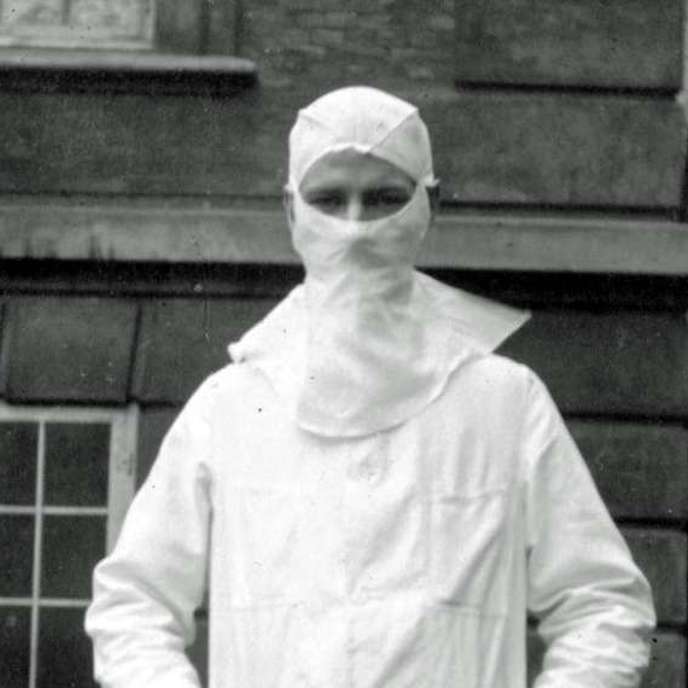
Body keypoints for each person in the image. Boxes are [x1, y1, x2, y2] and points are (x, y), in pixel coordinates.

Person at [85, 86, 655, 687]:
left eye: (384, 199)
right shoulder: (231, 407)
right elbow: (134, 605)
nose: (355, 228)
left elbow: (604, 605)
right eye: (329, 199)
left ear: (430, 204)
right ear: (290, 211)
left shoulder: (505, 404)